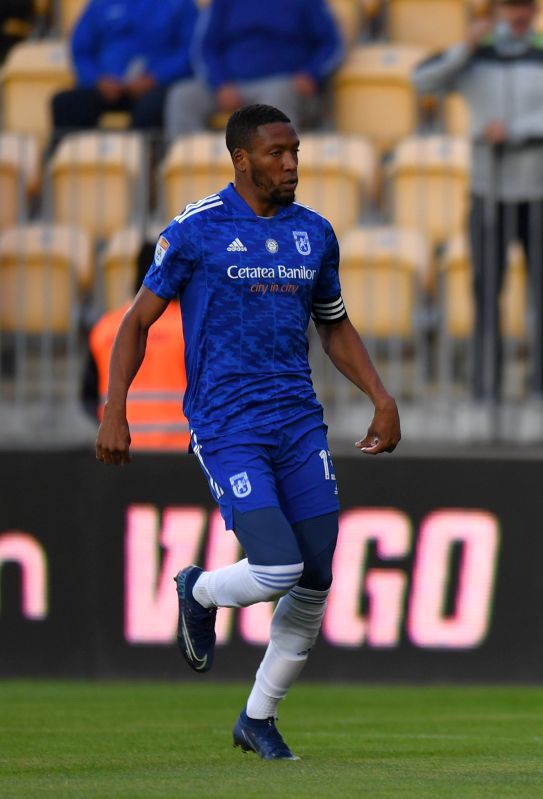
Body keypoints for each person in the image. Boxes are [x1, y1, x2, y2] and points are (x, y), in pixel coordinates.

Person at [95, 104, 401, 760]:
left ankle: (258, 718)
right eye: (277, 154)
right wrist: (113, 408)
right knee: (279, 566)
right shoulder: (196, 230)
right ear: (242, 160)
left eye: (295, 152)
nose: (291, 164)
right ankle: (198, 589)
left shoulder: (314, 234)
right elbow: (135, 322)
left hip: (297, 425)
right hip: (228, 425)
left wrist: (379, 395)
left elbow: (334, 324)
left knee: (316, 574)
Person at [413, 0, 543, 401]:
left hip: (541, 191)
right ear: (496, 12)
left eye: (525, 7)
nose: (518, 14)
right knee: (485, 291)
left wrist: (512, 130)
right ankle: (486, 385)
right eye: (510, 7)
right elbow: (421, 82)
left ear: (535, 12)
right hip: (490, 192)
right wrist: (464, 48)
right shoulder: (474, 53)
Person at [164, 0, 343, 141]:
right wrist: (220, 85)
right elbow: (205, 48)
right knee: (182, 96)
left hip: (283, 83)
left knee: (277, 97)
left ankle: (272, 182)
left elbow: (331, 44)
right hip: (231, 85)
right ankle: (194, 177)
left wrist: (312, 75)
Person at [86, 240, 189, 451]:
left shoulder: (106, 328)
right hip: (179, 454)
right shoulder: (188, 327)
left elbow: (87, 394)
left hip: (121, 449)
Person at [51, 0, 196, 135]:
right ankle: (77, 159)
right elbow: (82, 51)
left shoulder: (180, 4)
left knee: (151, 109)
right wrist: (97, 79)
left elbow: (192, 51)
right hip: (108, 88)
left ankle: (140, 159)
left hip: (155, 87)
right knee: (66, 103)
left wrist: (156, 78)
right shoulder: (101, 4)